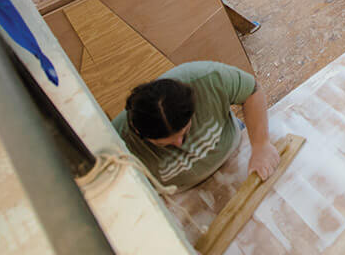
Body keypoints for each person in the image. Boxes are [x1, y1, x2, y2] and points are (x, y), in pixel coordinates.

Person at [113, 61, 280, 190]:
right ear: (138, 132)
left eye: (184, 132)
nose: (180, 143)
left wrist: (261, 145)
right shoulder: (117, 140)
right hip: (182, 191)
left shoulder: (207, 78)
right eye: (166, 144)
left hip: (234, 149)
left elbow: (252, 91)